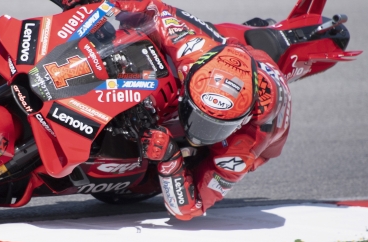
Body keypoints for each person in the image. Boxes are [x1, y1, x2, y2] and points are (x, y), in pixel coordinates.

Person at [51, 0, 292, 220]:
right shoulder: (192, 48)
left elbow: (189, 209)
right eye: (198, 116)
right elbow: (150, 7)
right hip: (232, 51)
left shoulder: (245, 146)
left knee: (173, 172)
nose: (197, 131)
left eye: (214, 126)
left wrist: (170, 159)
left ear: (240, 122)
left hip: (265, 132)